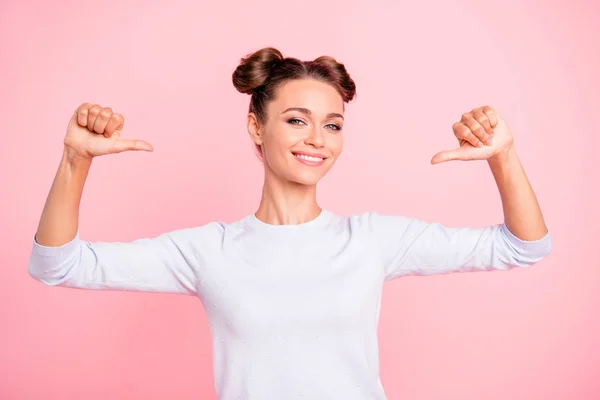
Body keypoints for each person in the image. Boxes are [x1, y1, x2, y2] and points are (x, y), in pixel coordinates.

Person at [28, 47, 552, 400]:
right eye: (297, 120)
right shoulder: (209, 251)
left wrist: (501, 155)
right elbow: (57, 264)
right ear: (256, 128)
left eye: (333, 125)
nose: (317, 139)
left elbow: (523, 247)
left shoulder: (371, 241)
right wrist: (76, 159)